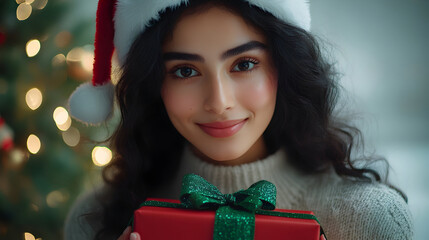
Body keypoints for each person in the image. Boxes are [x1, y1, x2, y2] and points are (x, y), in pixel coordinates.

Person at [65, 0, 413, 239]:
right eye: (185, 71)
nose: (219, 102)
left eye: (244, 64)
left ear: (284, 66)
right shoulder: (93, 220)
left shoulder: (372, 220)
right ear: (155, 83)